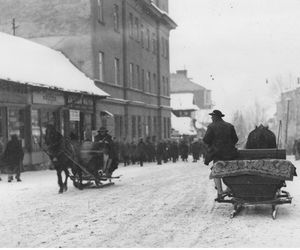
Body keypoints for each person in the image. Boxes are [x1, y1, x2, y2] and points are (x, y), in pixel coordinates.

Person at [203, 109, 238, 201]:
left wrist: (213, 145)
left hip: (217, 154)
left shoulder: (211, 127)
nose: (211, 118)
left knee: (216, 172)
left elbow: (206, 140)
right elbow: (235, 139)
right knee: (230, 171)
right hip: (230, 154)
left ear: (215, 117)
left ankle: (220, 192)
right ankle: (230, 189)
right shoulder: (229, 126)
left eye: (212, 116)